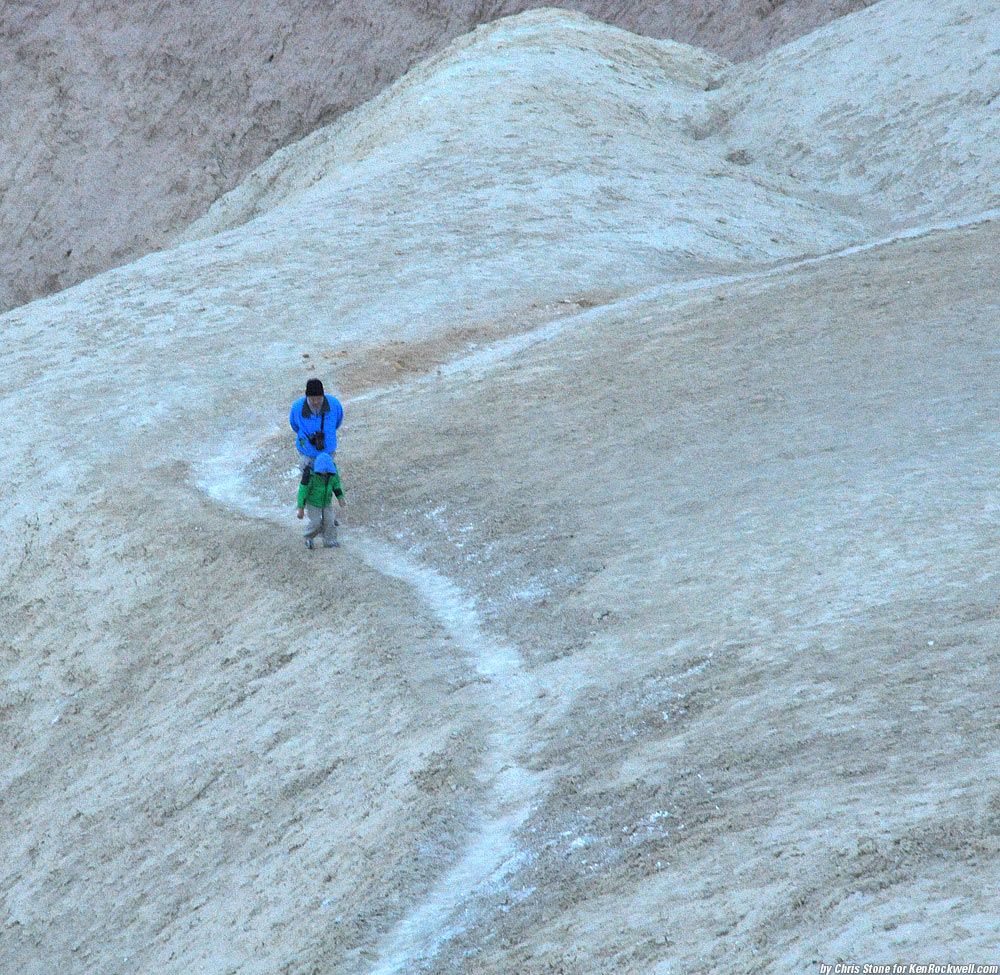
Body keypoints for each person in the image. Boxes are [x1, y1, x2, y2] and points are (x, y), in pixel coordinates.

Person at [289, 378, 344, 474]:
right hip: (307, 453)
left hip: (327, 452)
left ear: (323, 396)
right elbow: (294, 426)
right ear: (307, 397)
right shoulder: (297, 407)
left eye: (319, 398)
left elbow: (338, 422)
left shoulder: (334, 404)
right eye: (312, 399)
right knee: (308, 482)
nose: (315, 402)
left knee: (327, 481)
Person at [297, 452, 346, 549]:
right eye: (324, 471)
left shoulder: (332, 473)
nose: (326, 473)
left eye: (328, 471)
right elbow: (303, 491)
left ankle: (330, 541)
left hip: (326, 502)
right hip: (313, 503)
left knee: (330, 520)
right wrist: (301, 508)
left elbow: (336, 484)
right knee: (316, 522)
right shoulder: (310, 475)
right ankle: (308, 537)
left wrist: (340, 497)